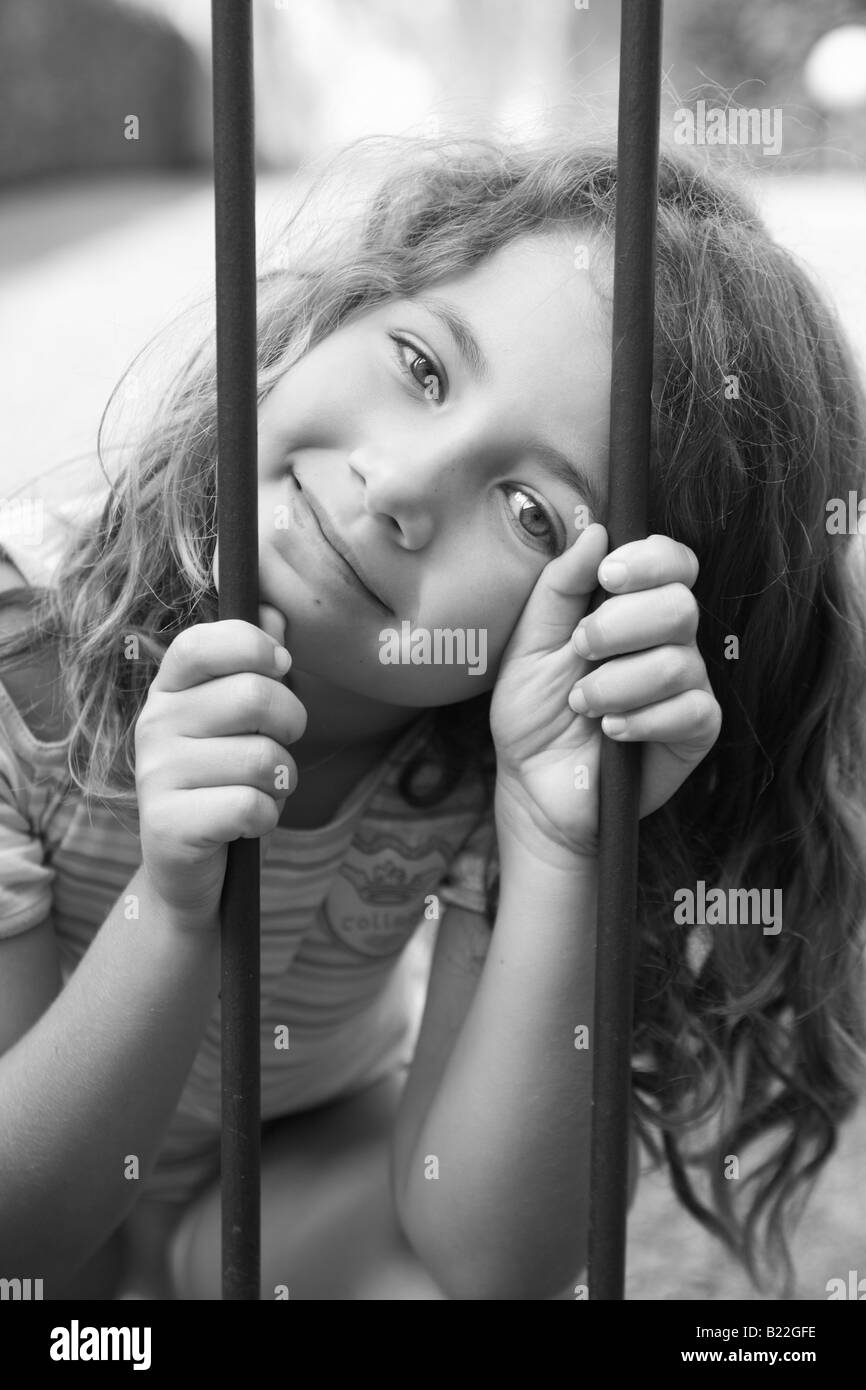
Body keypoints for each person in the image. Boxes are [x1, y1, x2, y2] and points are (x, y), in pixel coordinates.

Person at [0, 134, 864, 1301]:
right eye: (420, 366)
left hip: (280, 1173)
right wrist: (171, 897)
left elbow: (497, 1259)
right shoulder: (28, 665)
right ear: (340, 311)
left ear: (600, 627)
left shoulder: (479, 757)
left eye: (528, 513)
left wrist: (562, 843)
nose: (400, 487)